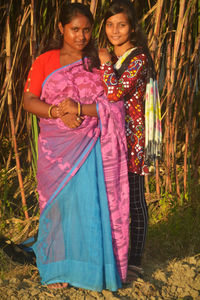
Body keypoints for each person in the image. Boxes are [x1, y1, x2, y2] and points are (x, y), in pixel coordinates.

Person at [23, 2, 130, 291]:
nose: (81, 36)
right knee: (59, 205)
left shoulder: (99, 61)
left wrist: (80, 108)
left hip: (90, 144)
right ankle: (58, 267)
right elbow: (29, 101)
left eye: (86, 30)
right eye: (74, 30)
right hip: (54, 149)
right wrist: (57, 112)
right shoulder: (45, 61)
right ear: (61, 28)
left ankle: (88, 264)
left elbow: (114, 104)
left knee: (87, 206)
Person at [98, 0, 161, 281]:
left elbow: (115, 92)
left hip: (133, 141)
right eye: (110, 25)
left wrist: (104, 64)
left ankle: (135, 260)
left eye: (121, 24)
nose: (115, 30)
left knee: (135, 200)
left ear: (132, 28)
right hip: (112, 139)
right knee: (115, 200)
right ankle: (116, 255)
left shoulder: (138, 59)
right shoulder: (112, 56)